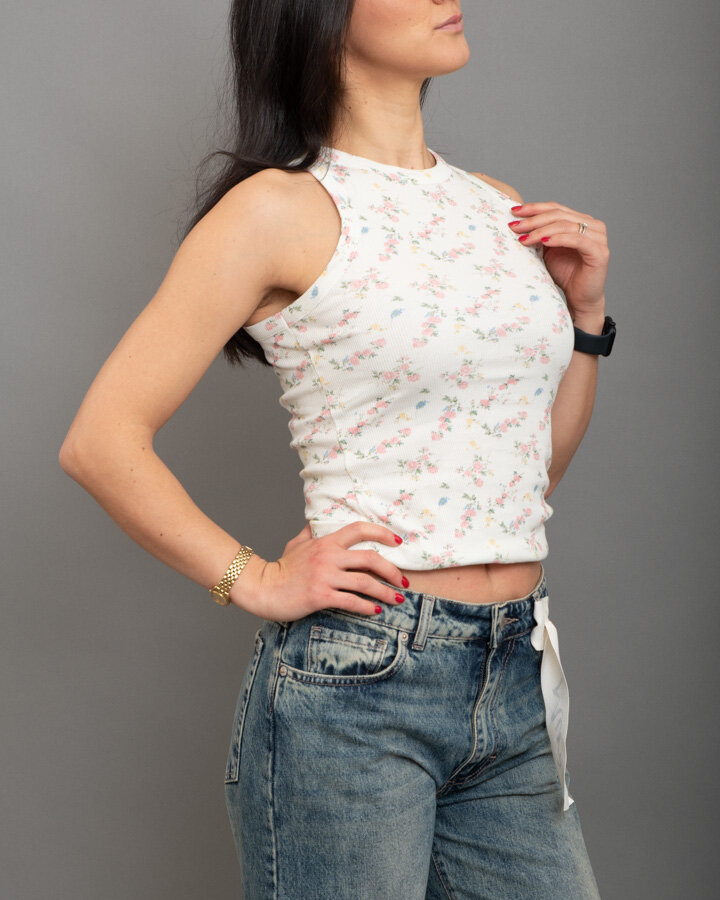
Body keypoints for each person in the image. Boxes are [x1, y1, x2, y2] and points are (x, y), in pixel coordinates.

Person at [59, 1, 615, 897]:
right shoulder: (274, 210)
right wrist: (253, 578)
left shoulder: (496, 206)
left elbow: (525, 474)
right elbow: (100, 440)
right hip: (362, 681)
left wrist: (584, 322)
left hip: (513, 673)